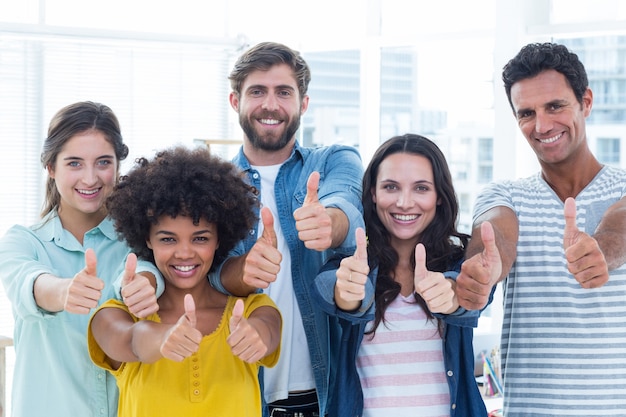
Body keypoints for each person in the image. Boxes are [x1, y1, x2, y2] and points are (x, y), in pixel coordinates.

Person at [455, 42, 626, 416]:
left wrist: (603, 249)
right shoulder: (506, 195)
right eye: (526, 113)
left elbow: (620, 226)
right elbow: (496, 233)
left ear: (586, 102)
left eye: (555, 106)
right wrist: (487, 267)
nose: (542, 125)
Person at [205, 41, 365, 417]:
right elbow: (207, 272)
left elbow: (346, 202)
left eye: (284, 92)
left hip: (328, 398)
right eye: (257, 91)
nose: (270, 105)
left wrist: (330, 222)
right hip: (243, 396)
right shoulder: (211, 182)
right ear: (235, 101)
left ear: (303, 103)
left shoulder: (335, 160)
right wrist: (241, 271)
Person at [87, 145, 282, 416]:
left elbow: (268, 331)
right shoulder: (116, 314)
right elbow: (131, 341)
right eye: (168, 239)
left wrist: (256, 336)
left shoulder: (251, 310)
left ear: (219, 239)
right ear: (147, 238)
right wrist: (164, 337)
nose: (185, 253)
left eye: (200, 238)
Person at [312, 134, 490, 417]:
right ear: (373, 193)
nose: (405, 202)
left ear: (439, 196)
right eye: (391, 187)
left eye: (421, 188)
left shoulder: (461, 263)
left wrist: (452, 292)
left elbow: (472, 292)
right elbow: (330, 289)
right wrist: (348, 293)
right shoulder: (352, 265)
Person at [0, 101, 131, 417]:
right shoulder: (22, 242)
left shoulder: (138, 244)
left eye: (103, 162)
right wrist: (64, 291)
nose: (90, 178)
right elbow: (31, 284)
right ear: (51, 167)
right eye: (74, 163)